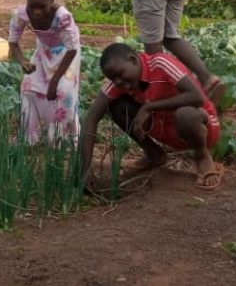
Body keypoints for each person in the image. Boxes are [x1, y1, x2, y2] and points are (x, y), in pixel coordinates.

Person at [79, 43, 224, 190]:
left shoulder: (160, 64)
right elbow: (91, 118)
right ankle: (154, 154)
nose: (119, 82)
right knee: (115, 106)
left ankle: (202, 156)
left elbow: (196, 97)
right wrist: (85, 170)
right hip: (166, 129)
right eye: (114, 79)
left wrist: (149, 107)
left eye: (121, 75)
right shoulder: (119, 82)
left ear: (133, 60)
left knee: (185, 115)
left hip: (200, 127)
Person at [9, 0, 81, 145]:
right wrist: (23, 61)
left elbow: (72, 49)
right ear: (26, 1)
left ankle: (63, 140)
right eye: (32, 6)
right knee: (28, 88)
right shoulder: (21, 14)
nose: (36, 12)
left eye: (42, 6)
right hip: (44, 51)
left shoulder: (63, 17)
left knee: (64, 91)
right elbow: (13, 41)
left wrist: (54, 81)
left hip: (67, 53)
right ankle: (30, 136)